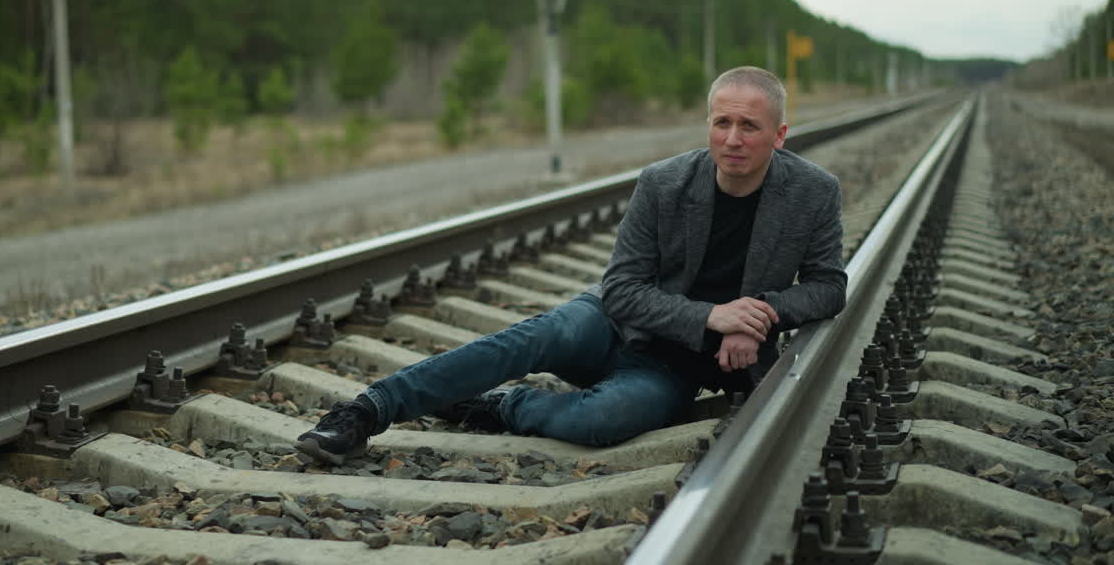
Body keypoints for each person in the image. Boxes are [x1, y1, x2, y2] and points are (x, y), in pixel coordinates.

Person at [296, 66, 847, 463]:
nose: (732, 139)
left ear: (779, 135)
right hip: (612, 321)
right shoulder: (664, 182)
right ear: (707, 123)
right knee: (530, 338)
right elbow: (623, 289)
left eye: (749, 127)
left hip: (674, 368)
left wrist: (756, 315)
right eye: (721, 122)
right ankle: (367, 411)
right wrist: (711, 316)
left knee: (599, 421)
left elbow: (828, 288)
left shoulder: (813, 193)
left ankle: (502, 406)